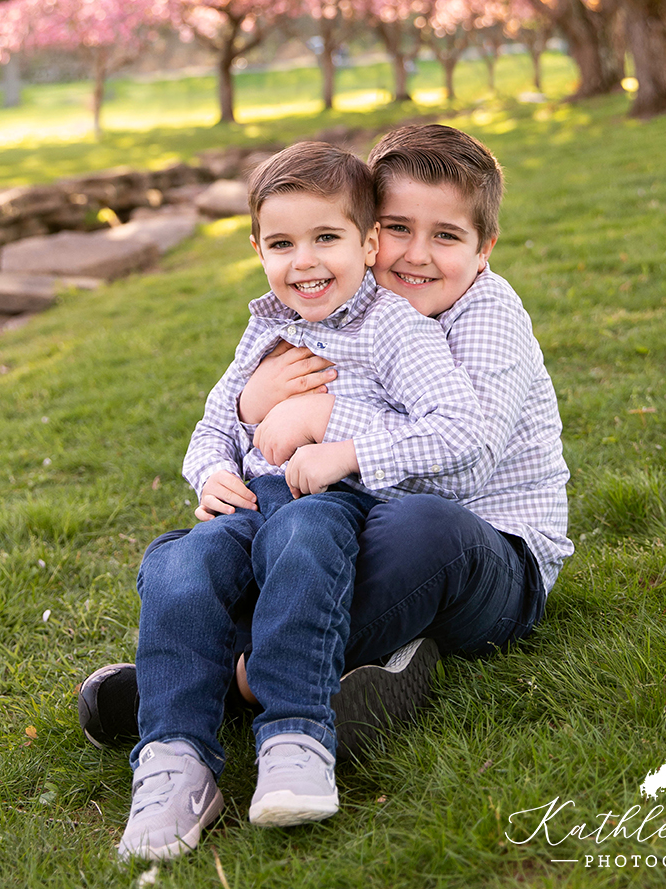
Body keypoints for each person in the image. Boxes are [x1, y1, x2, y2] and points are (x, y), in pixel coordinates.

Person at [115, 140, 493, 863]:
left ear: (367, 244)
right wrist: (210, 473)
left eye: (326, 238)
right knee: (178, 565)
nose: (305, 262)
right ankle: (173, 762)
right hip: (250, 499)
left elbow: (457, 426)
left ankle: (295, 737)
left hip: (337, 497)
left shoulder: (394, 327)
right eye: (282, 244)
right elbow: (214, 424)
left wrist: (339, 447)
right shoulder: (265, 327)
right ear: (257, 249)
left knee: (303, 545)